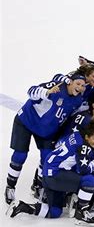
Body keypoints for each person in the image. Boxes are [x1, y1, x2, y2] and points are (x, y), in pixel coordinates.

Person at [5, 74, 85, 205]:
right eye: (78, 84)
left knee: (47, 158)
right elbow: (31, 91)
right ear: (70, 82)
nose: (80, 87)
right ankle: (10, 187)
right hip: (26, 121)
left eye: (83, 86)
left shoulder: (78, 100)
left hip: (46, 130)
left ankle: (40, 187)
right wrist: (46, 92)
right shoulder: (57, 87)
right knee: (20, 155)